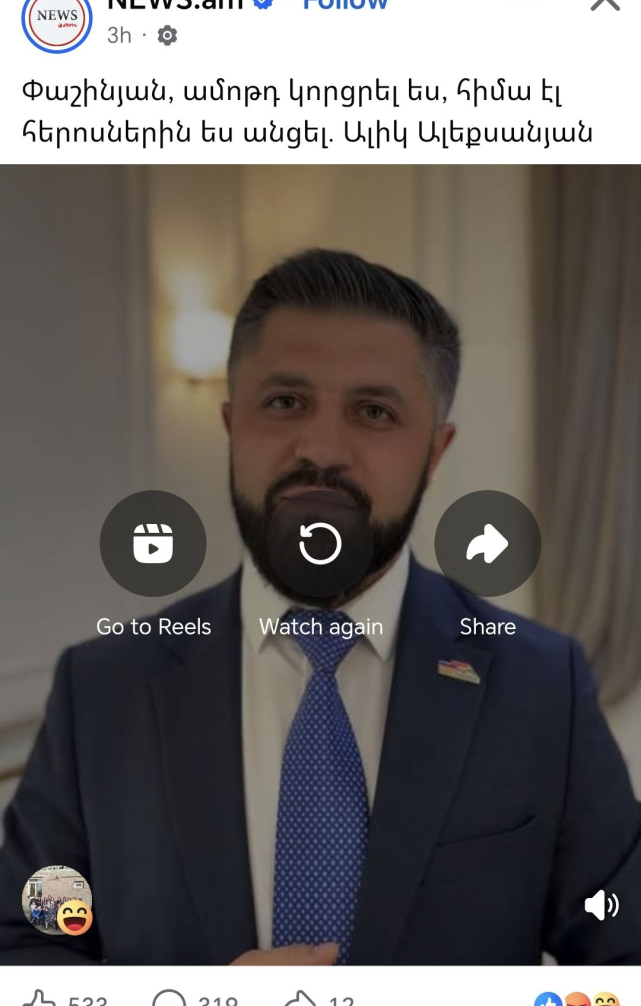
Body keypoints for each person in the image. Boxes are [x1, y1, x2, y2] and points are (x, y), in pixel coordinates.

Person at [0, 248, 640, 965]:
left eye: (374, 412)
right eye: (285, 402)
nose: (322, 449)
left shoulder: (542, 685)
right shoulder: (102, 690)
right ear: (232, 425)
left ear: (434, 452)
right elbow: (27, 946)